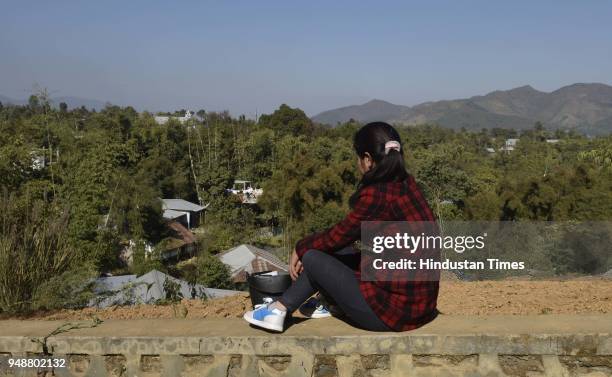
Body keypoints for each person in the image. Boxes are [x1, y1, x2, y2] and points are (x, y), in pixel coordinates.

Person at [243, 122, 439, 332]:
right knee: (343, 250)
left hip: (392, 314)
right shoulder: (407, 184)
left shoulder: (379, 194)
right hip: (421, 307)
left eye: (358, 158)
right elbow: (346, 241)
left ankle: (279, 309)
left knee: (312, 257)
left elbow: (337, 236)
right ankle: (325, 302)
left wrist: (301, 246)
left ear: (367, 159)